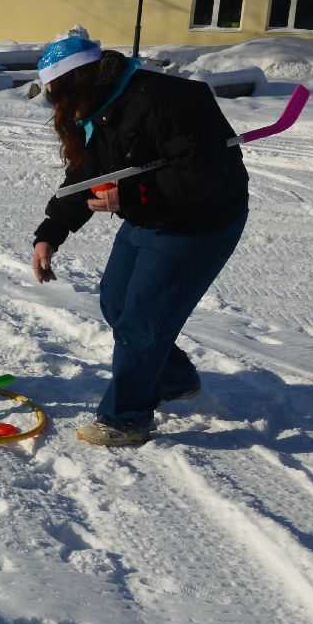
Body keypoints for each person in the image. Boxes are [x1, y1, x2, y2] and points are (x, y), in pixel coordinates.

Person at [30, 29, 248, 447]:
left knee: (143, 323)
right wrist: (51, 233)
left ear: (81, 80)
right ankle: (175, 377)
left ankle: (126, 417)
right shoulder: (96, 109)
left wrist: (129, 195)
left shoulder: (165, 101)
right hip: (150, 215)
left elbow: (204, 175)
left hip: (200, 223)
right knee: (116, 300)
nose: (59, 107)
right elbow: (85, 175)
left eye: (59, 94)